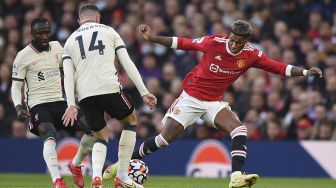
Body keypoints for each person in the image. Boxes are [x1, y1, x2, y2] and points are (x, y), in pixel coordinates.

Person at [104, 20, 323, 188]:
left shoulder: (251, 54)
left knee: (239, 129)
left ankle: (236, 177)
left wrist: (305, 72)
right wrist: (152, 38)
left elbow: (278, 67)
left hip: (213, 102)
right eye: (233, 39)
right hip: (190, 98)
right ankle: (119, 165)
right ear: (229, 35)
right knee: (164, 139)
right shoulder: (213, 43)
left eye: (240, 42)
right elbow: (182, 43)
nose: (235, 44)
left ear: (247, 41)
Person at [61, 4, 157, 188]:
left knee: (100, 135)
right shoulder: (109, 31)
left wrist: (71, 104)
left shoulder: (70, 41)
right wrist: (144, 92)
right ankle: (121, 176)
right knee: (130, 121)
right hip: (109, 87)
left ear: (79, 21)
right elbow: (127, 63)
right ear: (98, 18)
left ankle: (97, 178)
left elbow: (67, 76)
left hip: (85, 94)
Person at [11, 18, 96, 188]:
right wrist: (19, 107)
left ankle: (75, 164)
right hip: (38, 105)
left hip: (60, 103)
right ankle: (57, 180)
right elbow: (16, 86)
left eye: (47, 32)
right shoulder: (23, 56)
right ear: (32, 33)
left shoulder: (57, 47)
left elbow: (71, 71)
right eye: (40, 33)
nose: (44, 36)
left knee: (93, 130)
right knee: (49, 135)